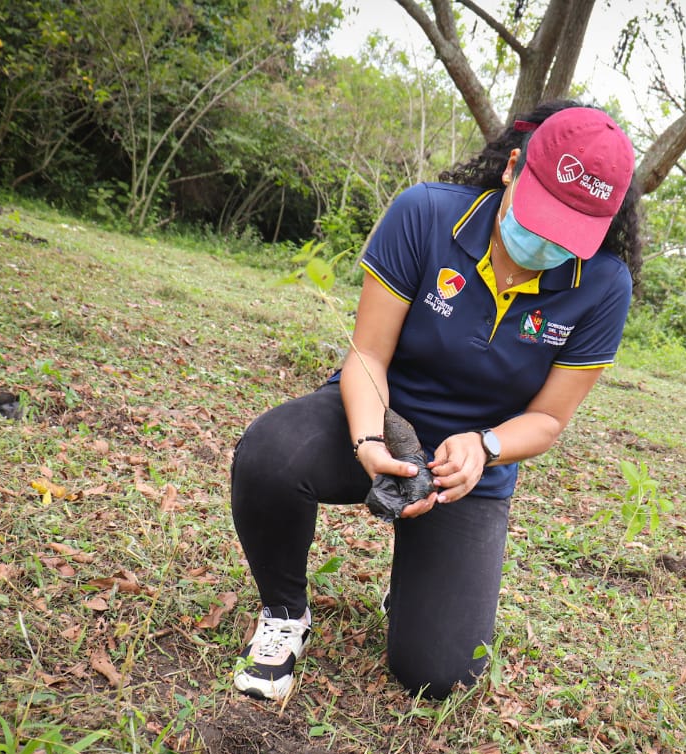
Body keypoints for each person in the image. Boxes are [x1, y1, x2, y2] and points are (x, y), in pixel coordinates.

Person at [229, 100, 642, 701]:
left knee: (440, 672)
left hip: (468, 468)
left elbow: (549, 418)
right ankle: (285, 614)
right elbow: (367, 356)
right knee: (271, 456)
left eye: (569, 233)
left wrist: (486, 446)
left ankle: (417, 586)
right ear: (512, 169)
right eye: (541, 216)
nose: (547, 242)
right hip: (381, 412)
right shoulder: (423, 215)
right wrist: (370, 441)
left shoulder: (604, 286)